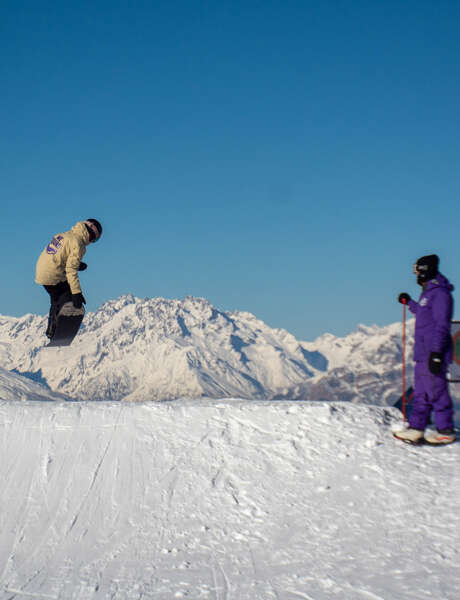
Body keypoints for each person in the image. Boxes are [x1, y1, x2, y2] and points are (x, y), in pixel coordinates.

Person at [395, 254, 456, 445]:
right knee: (421, 393)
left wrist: (437, 353)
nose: (415, 274)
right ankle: (416, 428)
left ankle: (445, 430)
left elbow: (441, 325)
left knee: (436, 391)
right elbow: (423, 314)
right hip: (422, 354)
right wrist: (409, 302)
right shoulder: (427, 293)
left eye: (417, 270)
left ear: (424, 270)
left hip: (433, 352)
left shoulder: (440, 294)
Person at [35, 219, 103, 339]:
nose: (92, 242)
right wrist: (77, 293)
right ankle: (58, 329)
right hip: (54, 273)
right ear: (91, 226)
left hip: (41, 271)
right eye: (94, 238)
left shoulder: (63, 235)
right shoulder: (79, 244)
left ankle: (51, 330)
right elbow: (71, 271)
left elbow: (58, 254)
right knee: (67, 295)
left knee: (56, 298)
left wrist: (78, 264)